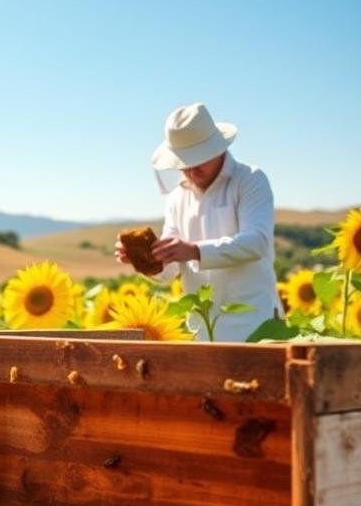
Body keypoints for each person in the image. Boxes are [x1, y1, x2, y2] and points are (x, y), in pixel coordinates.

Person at [114, 102, 281, 341]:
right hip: (201, 330)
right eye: (184, 164)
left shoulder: (249, 180)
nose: (191, 171)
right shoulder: (177, 197)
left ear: (217, 149)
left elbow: (256, 242)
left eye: (198, 161)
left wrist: (194, 250)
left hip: (254, 327)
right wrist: (142, 259)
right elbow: (170, 270)